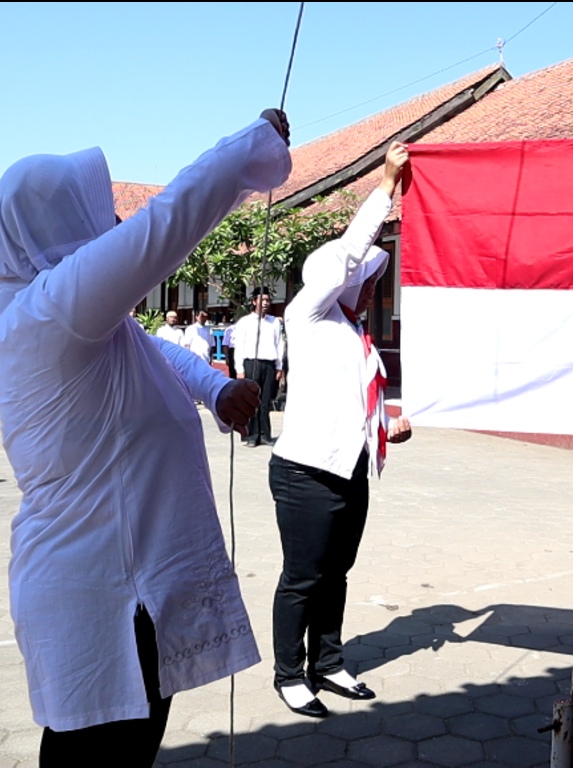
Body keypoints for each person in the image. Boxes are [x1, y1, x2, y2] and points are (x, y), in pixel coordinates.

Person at [0, 107, 292, 766]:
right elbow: (166, 226)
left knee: (119, 751)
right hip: (100, 592)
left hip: (125, 591)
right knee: (98, 755)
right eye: (92, 212)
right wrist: (251, 144)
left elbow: (159, 352)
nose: (110, 226)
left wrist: (216, 390)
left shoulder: (80, 324)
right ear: (55, 227)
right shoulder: (50, 311)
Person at [267, 141, 413, 717]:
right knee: (303, 577)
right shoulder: (306, 315)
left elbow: (357, 401)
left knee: (338, 574)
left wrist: (388, 425)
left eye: (376, 278)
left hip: (350, 468)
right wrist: (385, 187)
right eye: (366, 277)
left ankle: (327, 662)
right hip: (306, 472)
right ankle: (288, 673)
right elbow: (346, 258)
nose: (371, 284)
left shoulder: (356, 336)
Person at [233, 289, 285, 446]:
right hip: (251, 363)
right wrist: (239, 369)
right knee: (252, 400)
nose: (265, 303)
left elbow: (279, 344)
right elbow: (239, 347)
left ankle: (265, 434)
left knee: (266, 400)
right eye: (262, 300)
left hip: (269, 364)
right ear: (254, 301)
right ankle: (251, 435)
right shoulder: (245, 322)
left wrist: (279, 366)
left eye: (267, 301)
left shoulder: (274, 322)